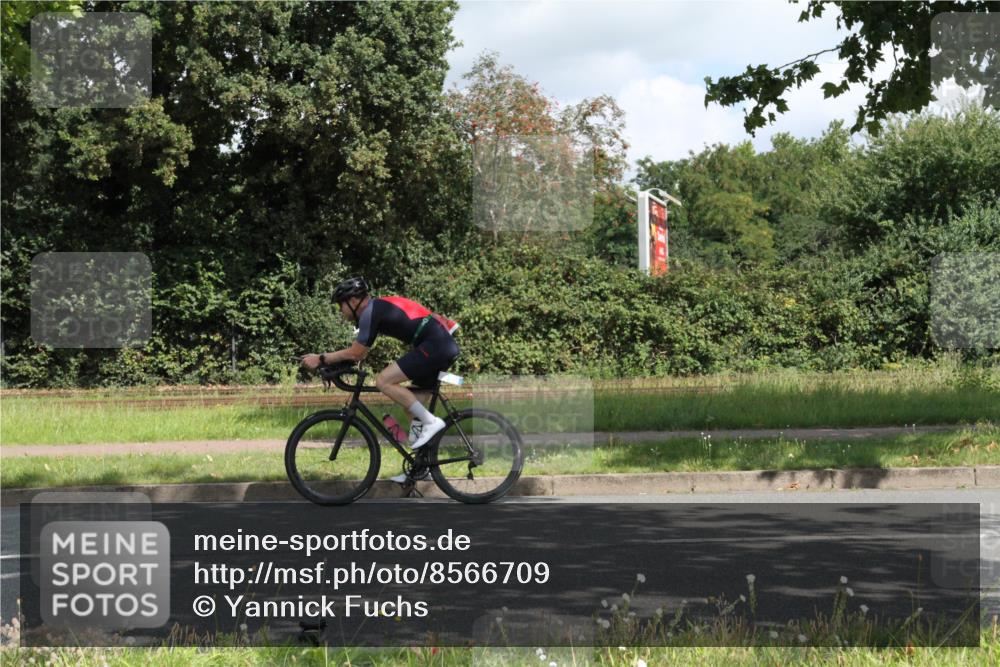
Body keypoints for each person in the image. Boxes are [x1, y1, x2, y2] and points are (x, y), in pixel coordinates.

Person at [299, 277, 460, 483]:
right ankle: (421, 469)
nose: (341, 311)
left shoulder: (371, 311)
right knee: (412, 407)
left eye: (341, 305)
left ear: (355, 301)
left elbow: (356, 353)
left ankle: (432, 422)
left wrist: (320, 358)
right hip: (437, 344)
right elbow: (359, 353)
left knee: (383, 381)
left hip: (436, 345)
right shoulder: (376, 309)